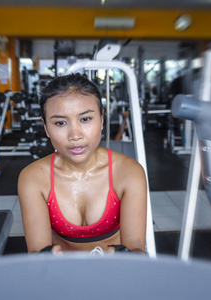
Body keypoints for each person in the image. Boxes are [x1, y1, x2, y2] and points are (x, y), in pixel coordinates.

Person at [18, 73, 147, 255]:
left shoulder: (128, 173)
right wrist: (46, 258)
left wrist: (127, 256)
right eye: (60, 123)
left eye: (85, 119)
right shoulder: (33, 178)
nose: (75, 135)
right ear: (46, 127)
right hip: (60, 274)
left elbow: (135, 246)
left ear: (101, 119)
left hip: (116, 270)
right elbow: (37, 249)